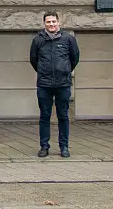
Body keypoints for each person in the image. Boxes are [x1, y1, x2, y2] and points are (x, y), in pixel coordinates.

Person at [30, 11, 80, 158]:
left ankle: (64, 146)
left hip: (63, 84)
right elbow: (33, 60)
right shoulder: (38, 40)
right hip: (44, 84)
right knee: (44, 116)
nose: (51, 24)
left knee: (63, 116)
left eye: (53, 21)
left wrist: (64, 70)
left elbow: (74, 58)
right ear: (44, 23)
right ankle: (44, 146)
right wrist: (43, 72)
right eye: (48, 22)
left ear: (58, 22)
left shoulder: (68, 39)